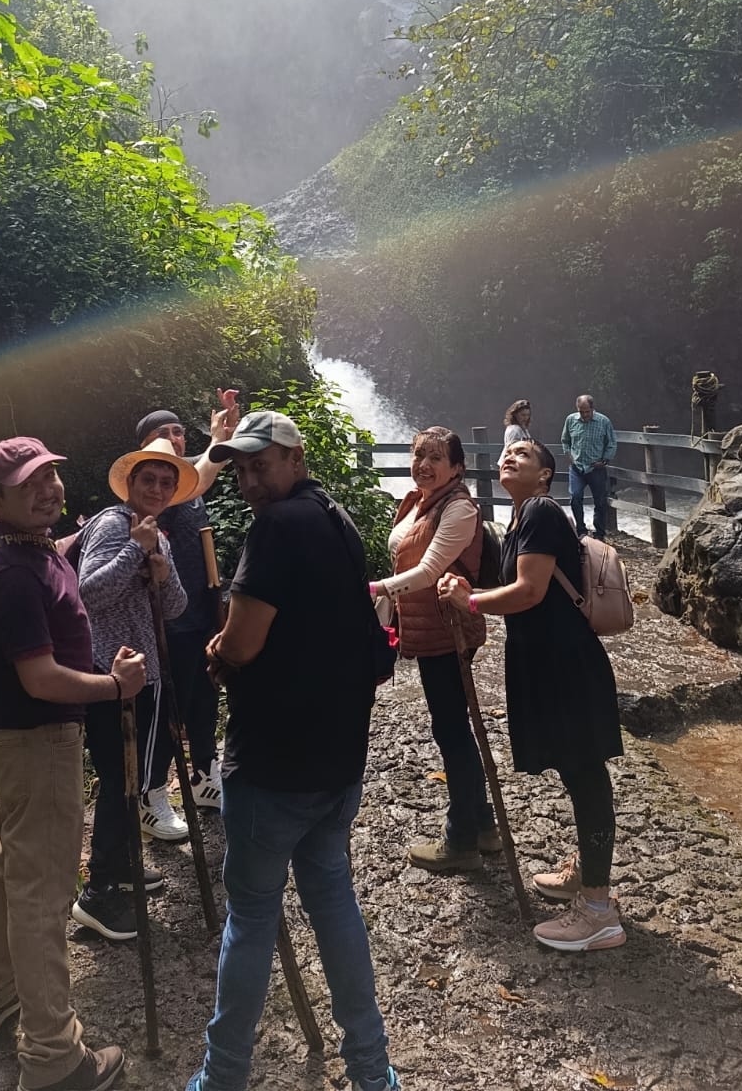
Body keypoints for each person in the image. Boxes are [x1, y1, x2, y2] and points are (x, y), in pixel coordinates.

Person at [184, 411, 400, 1091]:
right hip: (338, 758)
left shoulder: (276, 527)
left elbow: (244, 640)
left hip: (274, 763)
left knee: (251, 917)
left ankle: (223, 1077)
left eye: (261, 465)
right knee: (332, 900)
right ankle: (371, 1069)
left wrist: (218, 652)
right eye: (241, 470)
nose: (250, 480)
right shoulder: (337, 519)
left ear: (295, 458)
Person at [0, 436, 147, 1091]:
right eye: (28, 484)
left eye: (50, 476)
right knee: (44, 896)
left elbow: (53, 557)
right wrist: (115, 687)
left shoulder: (16, 545)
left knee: (12, 869)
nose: (47, 490)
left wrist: (93, 535)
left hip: (16, 741)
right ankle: (52, 1057)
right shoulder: (12, 574)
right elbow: (40, 679)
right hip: (38, 739)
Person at [439, 437, 625, 953]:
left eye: (524, 454)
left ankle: (598, 912)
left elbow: (530, 591)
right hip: (548, 661)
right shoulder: (520, 519)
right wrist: (467, 589)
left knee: (585, 773)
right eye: (508, 452)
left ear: (545, 475)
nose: (510, 457)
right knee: (576, 769)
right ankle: (588, 872)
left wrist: (469, 602)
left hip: (566, 663)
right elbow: (520, 590)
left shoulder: (540, 511)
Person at [72, 438, 198, 941]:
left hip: (145, 675)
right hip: (114, 675)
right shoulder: (113, 525)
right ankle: (98, 891)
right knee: (121, 779)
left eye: (167, 482)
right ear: (131, 483)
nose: (158, 489)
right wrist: (134, 550)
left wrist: (162, 574)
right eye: (150, 479)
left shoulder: (157, 535)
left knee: (133, 777)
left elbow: (176, 608)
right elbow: (89, 592)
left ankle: (122, 867)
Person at [368, 427, 498, 872]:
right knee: (453, 726)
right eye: (419, 455)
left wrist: (375, 589)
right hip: (426, 628)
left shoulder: (459, 508)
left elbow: (428, 571)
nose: (424, 465)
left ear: (457, 468)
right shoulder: (419, 501)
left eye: (436, 458)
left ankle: (460, 840)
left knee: (452, 730)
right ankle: (483, 826)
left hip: (449, 630)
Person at [133, 388, 238, 833]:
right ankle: (151, 794)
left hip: (199, 613)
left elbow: (204, 467)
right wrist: (217, 442)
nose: (175, 438)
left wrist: (219, 437)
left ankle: (203, 778)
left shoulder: (185, 478)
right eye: (164, 433)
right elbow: (205, 471)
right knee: (163, 711)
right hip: (165, 621)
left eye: (178, 431)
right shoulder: (156, 488)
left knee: (203, 699)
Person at [561, 394, 616, 538]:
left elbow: (611, 443)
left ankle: (599, 533)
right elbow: (565, 440)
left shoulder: (604, 421)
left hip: (595, 467)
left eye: (587, 411)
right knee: (575, 497)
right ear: (577, 409)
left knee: (600, 501)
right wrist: (569, 455)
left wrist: (605, 460)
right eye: (581, 411)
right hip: (577, 467)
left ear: (593, 409)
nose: (585, 415)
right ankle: (581, 530)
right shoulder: (570, 420)